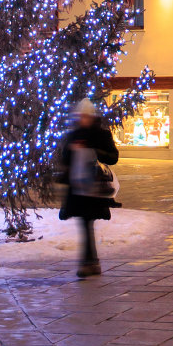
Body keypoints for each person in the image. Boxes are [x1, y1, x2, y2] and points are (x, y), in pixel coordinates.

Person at [57, 99, 120, 278]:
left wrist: (93, 150)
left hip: (94, 189)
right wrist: (71, 150)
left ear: (91, 117)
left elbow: (113, 157)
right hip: (77, 189)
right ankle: (91, 262)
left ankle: (89, 263)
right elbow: (65, 160)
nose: (82, 119)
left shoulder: (101, 135)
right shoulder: (74, 134)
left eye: (85, 116)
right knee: (85, 224)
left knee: (86, 223)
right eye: (80, 116)